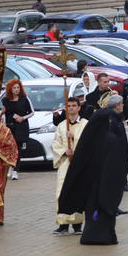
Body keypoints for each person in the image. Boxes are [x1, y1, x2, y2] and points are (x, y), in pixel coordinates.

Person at [57, 94, 128, 245]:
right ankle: (105, 236)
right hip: (106, 184)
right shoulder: (112, 140)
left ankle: (90, 234)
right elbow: (117, 163)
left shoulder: (91, 140)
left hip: (91, 185)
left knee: (93, 212)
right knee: (103, 212)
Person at [53, 97, 86, 235]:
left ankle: (77, 224)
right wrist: (63, 151)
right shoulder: (61, 125)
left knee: (78, 191)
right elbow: (56, 143)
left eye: (74, 105)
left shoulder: (85, 124)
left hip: (78, 163)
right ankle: (63, 224)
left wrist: (74, 137)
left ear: (79, 108)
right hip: (65, 163)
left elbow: (89, 142)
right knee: (62, 192)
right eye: (69, 106)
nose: (71, 108)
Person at [2, 79, 34, 180]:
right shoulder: (5, 100)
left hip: (21, 126)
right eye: (14, 88)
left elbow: (32, 112)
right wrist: (2, 112)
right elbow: (2, 113)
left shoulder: (24, 99)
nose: (16, 90)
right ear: (10, 89)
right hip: (9, 126)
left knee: (17, 148)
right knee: (10, 148)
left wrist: (22, 118)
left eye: (18, 87)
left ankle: (16, 170)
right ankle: (11, 167)